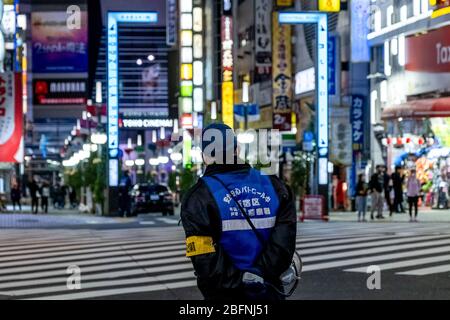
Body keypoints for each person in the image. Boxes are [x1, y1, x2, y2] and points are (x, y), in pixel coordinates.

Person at [181, 123, 297, 301]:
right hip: (269, 291)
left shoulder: (198, 198)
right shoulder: (275, 187)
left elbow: (204, 259)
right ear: (237, 149)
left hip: (224, 295)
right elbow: (284, 245)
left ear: (204, 155)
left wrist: (239, 280)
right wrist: (259, 275)